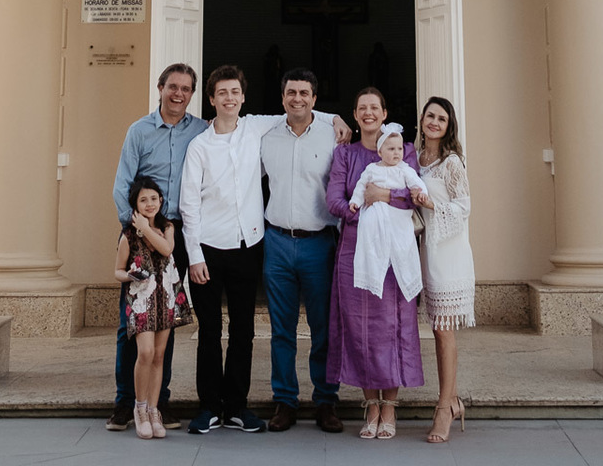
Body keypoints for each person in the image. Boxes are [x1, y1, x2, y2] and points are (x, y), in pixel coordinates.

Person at [180, 64, 348, 436]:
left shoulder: (278, 130)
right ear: (212, 99)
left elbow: (305, 113)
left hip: (284, 245)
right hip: (241, 245)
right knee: (245, 331)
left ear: (243, 97)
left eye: (234, 92)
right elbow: (189, 205)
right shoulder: (217, 142)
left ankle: (312, 403)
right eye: (222, 93)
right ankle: (248, 404)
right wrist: (194, 255)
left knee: (290, 330)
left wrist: (335, 117)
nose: (229, 98)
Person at [107, 63, 204, 433]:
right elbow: (122, 185)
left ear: (192, 94)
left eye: (185, 88)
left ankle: (158, 402)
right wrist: (137, 231)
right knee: (132, 323)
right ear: (160, 88)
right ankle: (124, 403)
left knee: (166, 319)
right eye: (172, 87)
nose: (178, 94)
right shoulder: (140, 131)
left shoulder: (201, 130)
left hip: (177, 236)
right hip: (141, 234)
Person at [327, 87, 425, 440]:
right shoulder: (345, 154)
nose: (368, 113)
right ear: (355, 115)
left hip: (396, 251)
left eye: (375, 108)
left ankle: (390, 406)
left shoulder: (404, 149)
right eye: (362, 108)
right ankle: (370, 405)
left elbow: (414, 196)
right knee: (360, 327)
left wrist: (380, 195)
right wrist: (363, 213)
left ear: (384, 114)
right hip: (356, 250)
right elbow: (334, 200)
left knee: (393, 325)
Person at [261, 68, 344, 434]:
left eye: (304, 93)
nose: (297, 98)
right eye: (291, 92)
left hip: (319, 244)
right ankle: (285, 401)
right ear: (282, 98)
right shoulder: (266, 136)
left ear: (314, 99)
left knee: (323, 328)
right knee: (282, 330)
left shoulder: (333, 136)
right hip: (277, 242)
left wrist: (334, 118)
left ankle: (326, 401)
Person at [114, 174, 193, 439]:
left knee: (159, 355)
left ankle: (153, 409)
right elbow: (117, 271)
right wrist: (130, 275)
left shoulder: (167, 227)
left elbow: (167, 250)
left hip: (166, 298)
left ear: (161, 200)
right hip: (141, 302)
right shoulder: (128, 236)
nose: (150, 204)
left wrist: (146, 228)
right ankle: (139, 408)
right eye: (143, 200)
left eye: (154, 198)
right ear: (135, 204)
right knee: (145, 353)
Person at [417, 96, 476, 445]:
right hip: (427, 250)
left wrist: (430, 203)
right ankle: (452, 401)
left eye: (441, 118)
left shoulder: (451, 162)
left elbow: (463, 208)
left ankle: (444, 407)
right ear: (422, 120)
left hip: (449, 252)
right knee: (437, 329)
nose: (434, 122)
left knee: (444, 331)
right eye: (430, 116)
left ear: (448, 125)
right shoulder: (415, 158)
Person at [349, 124, 431, 300]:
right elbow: (361, 186)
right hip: (376, 214)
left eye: (399, 149)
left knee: (403, 242)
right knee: (369, 231)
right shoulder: (372, 169)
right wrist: (355, 201)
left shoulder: (405, 169)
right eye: (391, 149)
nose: (397, 153)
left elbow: (417, 184)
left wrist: (422, 193)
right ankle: (373, 270)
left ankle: (405, 274)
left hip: (397, 215)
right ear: (380, 152)